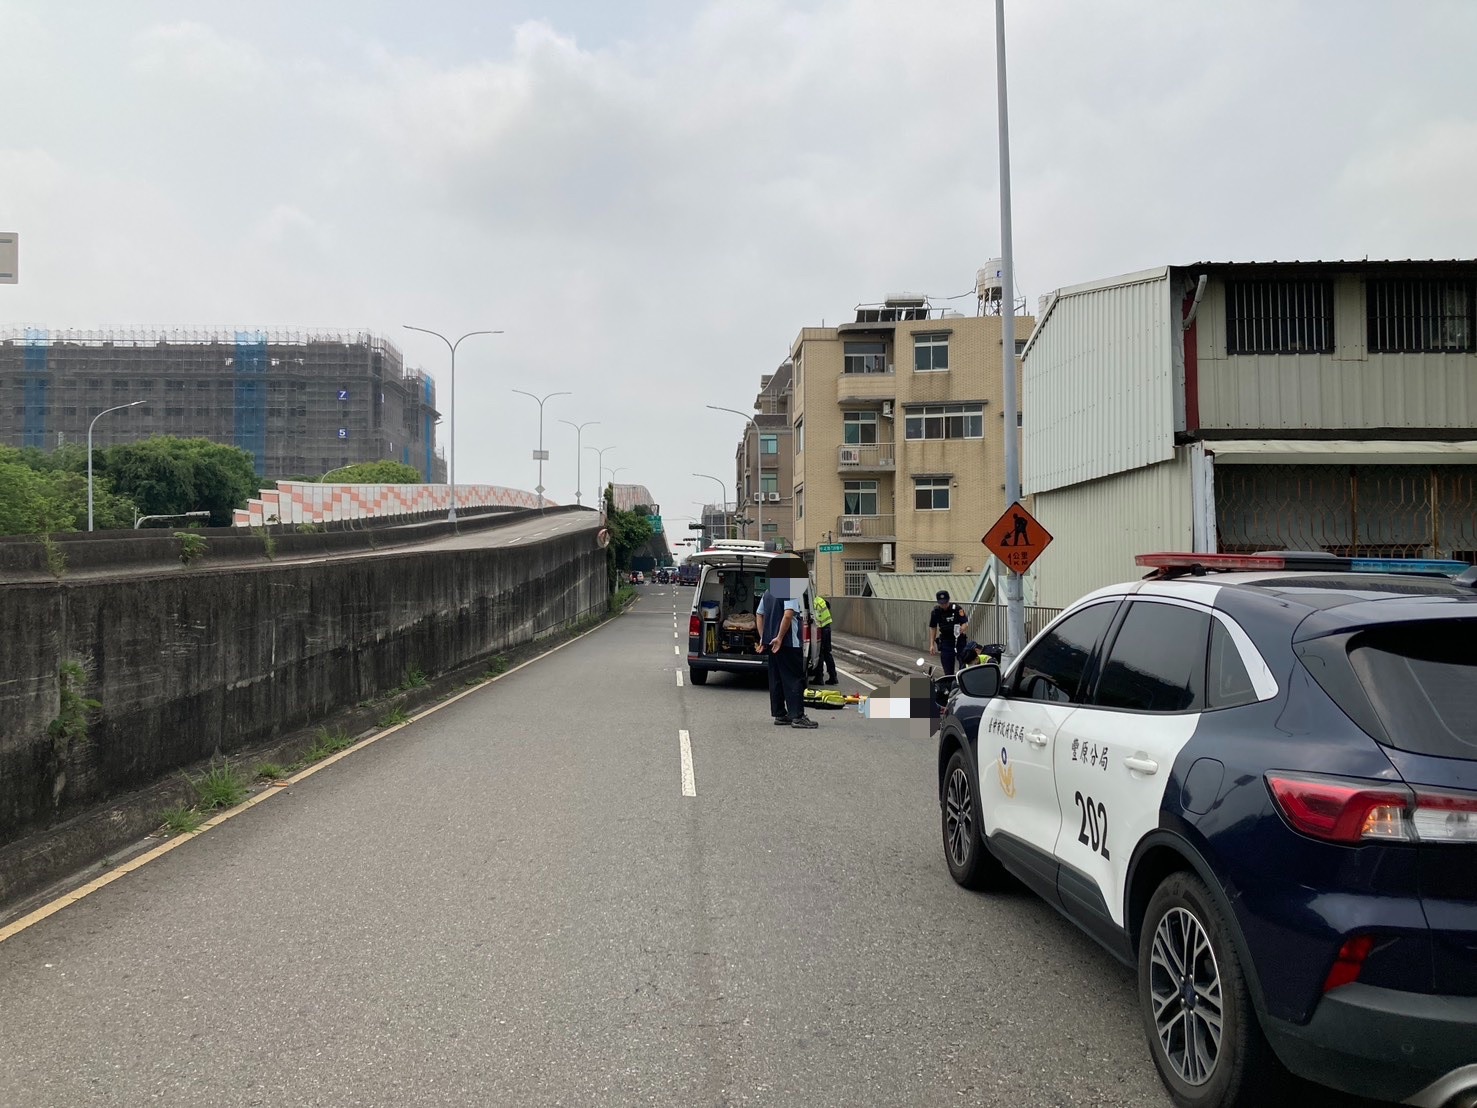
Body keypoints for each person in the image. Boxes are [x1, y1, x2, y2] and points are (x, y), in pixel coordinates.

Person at [756, 582, 816, 728]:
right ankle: (797, 716)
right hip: (789, 643)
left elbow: (759, 614)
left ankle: (780, 714)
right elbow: (788, 615)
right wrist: (780, 637)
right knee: (794, 679)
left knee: (776, 679)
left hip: (771, 643)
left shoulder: (767, 593)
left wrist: (763, 637)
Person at [928, 589, 969, 676]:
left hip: (959, 640)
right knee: (947, 666)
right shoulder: (936, 612)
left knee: (963, 663)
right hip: (946, 641)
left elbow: (965, 623)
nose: (944, 605)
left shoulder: (957, 609)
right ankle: (949, 681)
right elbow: (933, 627)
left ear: (948, 600)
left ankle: (962, 680)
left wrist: (962, 629)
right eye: (941, 603)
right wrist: (932, 644)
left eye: (945, 603)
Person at [810, 593, 838, 685]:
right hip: (827, 627)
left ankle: (819, 678)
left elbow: (816, 619)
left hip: (822, 629)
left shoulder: (813, 603)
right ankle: (833, 676)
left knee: (820, 653)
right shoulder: (819, 600)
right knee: (827, 653)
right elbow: (828, 606)